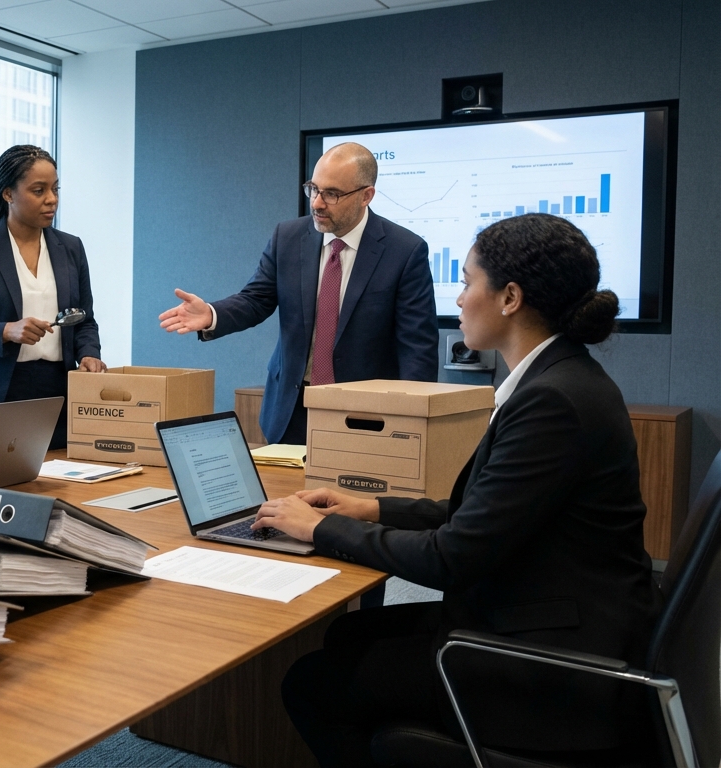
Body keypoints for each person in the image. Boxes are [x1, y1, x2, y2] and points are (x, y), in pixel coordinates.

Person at [255, 213, 662, 766]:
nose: (460, 297)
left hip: (552, 663)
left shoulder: (553, 403)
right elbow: (482, 512)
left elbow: (453, 557)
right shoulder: (560, 378)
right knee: (349, 636)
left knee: (311, 683)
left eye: (468, 281)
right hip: (553, 614)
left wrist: (324, 528)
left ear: (510, 297)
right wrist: (371, 506)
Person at [158, 142, 438, 445]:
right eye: (313, 189)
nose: (317, 203)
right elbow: (256, 299)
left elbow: (417, 350)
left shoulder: (404, 251)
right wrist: (213, 314)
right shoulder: (289, 238)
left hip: (367, 415)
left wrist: (410, 425)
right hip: (291, 409)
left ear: (365, 196)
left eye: (331, 194)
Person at [0, 144, 104, 449]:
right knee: (1, 492)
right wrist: (5, 331)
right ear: (8, 194)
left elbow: (85, 320)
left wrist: (90, 354)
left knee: (60, 491)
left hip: (59, 398)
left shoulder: (71, 248)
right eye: (38, 190)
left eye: (55, 189)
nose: (51, 199)